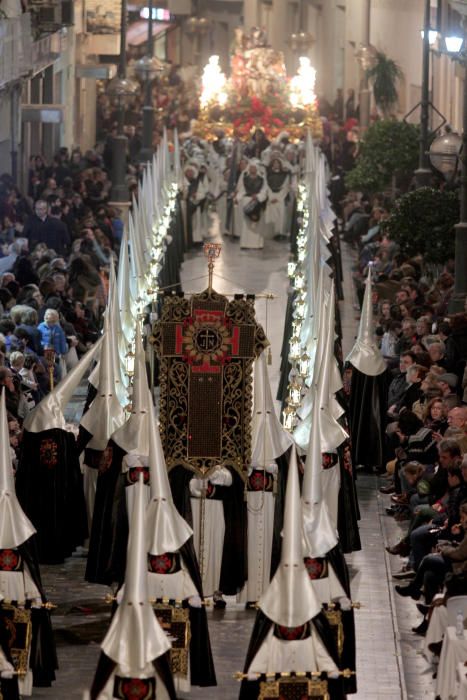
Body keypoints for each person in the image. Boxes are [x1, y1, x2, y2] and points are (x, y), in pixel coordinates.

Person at [236, 160, 268, 250]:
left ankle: (257, 244)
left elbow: (264, 190)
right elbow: (241, 189)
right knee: (246, 223)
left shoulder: (261, 179)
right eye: (251, 167)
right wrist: (238, 198)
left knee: (257, 222)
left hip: (257, 202)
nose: (252, 169)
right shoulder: (245, 178)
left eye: (254, 168)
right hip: (247, 201)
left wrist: (257, 196)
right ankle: (245, 244)